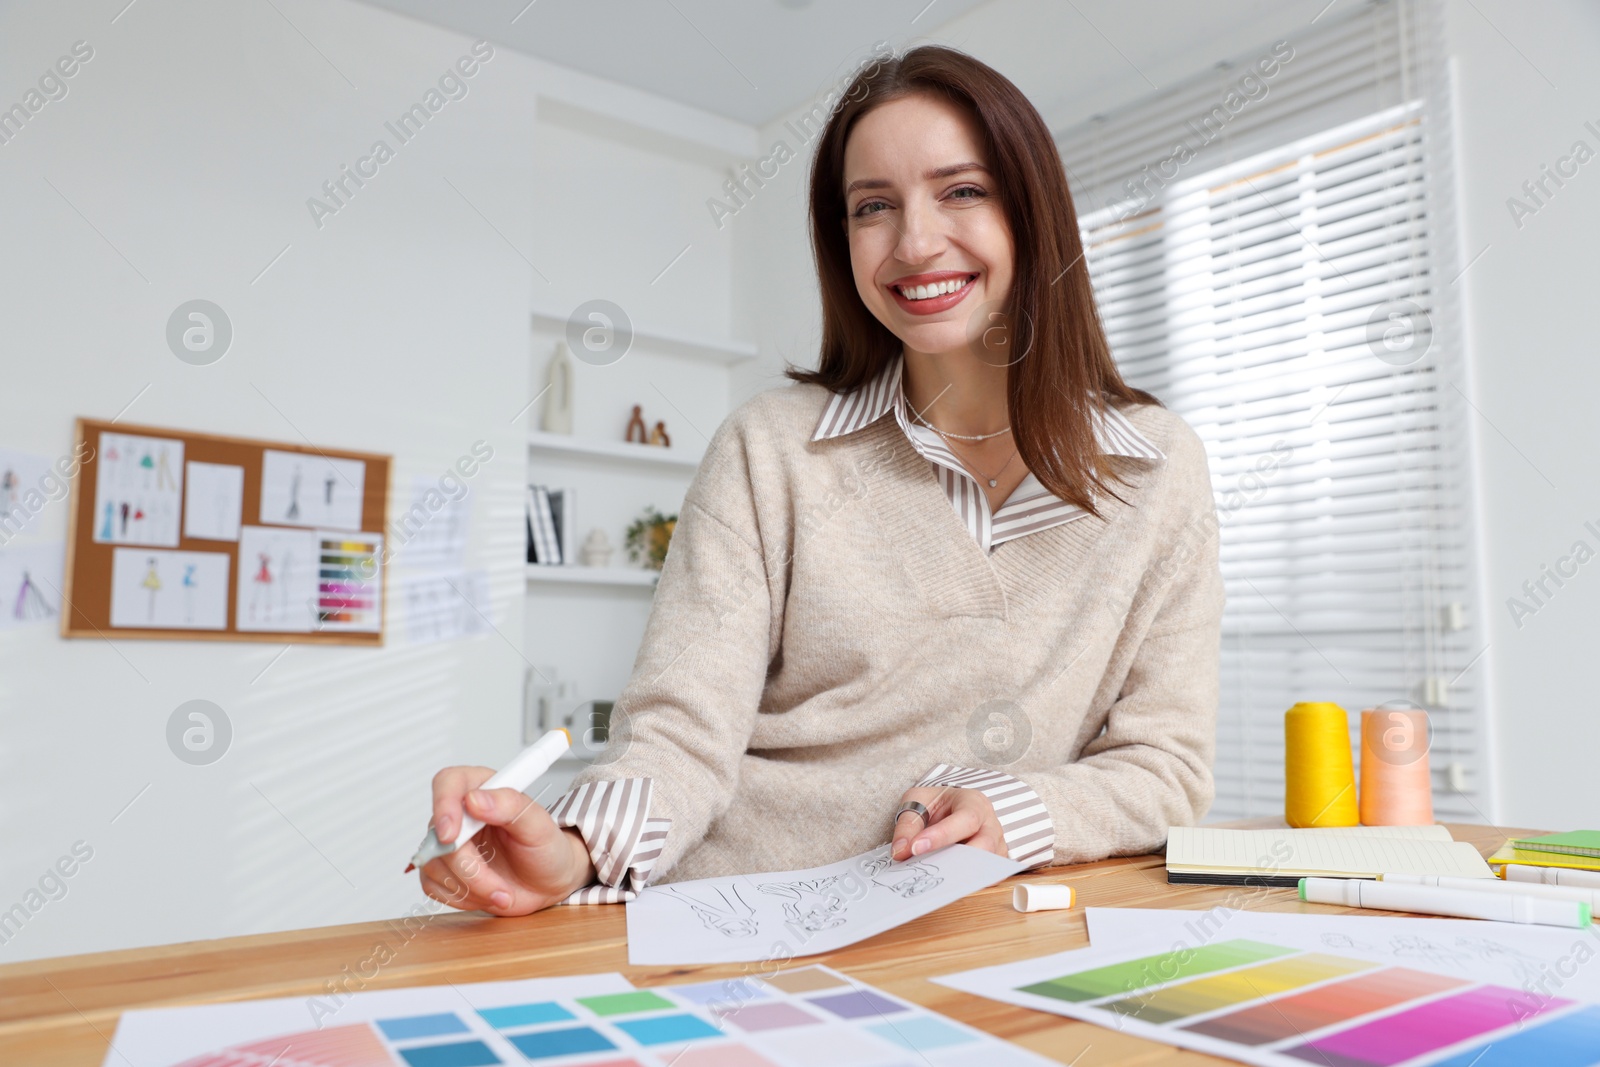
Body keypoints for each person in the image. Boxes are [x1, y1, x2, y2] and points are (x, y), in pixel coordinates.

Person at [418, 44, 1223, 917]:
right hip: (735, 919)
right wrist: (574, 851)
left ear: (1035, 212)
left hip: (976, 932)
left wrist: (1018, 810)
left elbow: (1165, 766)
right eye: (873, 206)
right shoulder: (770, 448)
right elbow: (683, 736)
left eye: (962, 190)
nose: (914, 243)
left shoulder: (1156, 468)